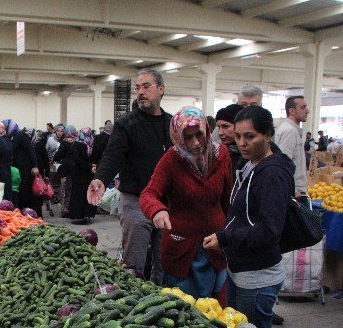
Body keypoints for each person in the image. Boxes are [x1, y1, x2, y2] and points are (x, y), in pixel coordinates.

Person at [203, 106, 294, 328]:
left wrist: (226, 238)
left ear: (268, 135)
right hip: (241, 270)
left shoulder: (272, 174)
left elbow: (268, 231)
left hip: (258, 277)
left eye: (250, 136)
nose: (242, 143)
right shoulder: (250, 165)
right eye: (239, 136)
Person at [87, 69, 173, 284]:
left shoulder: (172, 124)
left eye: (146, 86)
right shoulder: (127, 123)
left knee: (164, 259)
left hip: (166, 202)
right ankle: (136, 306)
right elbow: (113, 154)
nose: (140, 92)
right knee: (134, 261)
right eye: (138, 88)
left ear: (161, 90)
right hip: (136, 201)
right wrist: (100, 178)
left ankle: (163, 300)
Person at [140, 107, 232, 298]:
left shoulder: (221, 155)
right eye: (187, 137)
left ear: (206, 130)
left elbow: (227, 198)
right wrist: (158, 211)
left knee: (217, 308)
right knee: (185, 309)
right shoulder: (171, 160)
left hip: (215, 244)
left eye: (198, 134)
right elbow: (149, 194)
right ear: (178, 138)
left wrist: (229, 233)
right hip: (182, 250)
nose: (196, 143)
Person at [275, 96, 309, 204]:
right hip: (296, 194)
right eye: (303, 107)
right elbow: (283, 163)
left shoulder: (291, 130)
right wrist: (292, 190)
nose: (307, 111)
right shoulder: (290, 131)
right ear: (291, 111)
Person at [6, 119, 41, 214]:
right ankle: (25, 214)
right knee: (23, 192)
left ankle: (32, 215)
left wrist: (35, 166)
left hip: (26, 168)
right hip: (21, 168)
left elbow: (30, 150)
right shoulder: (13, 137)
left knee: (27, 192)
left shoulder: (20, 135)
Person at [68, 127, 97, 224]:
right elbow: (78, 159)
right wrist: (90, 166)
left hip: (80, 173)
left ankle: (79, 214)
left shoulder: (77, 143)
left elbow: (76, 159)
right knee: (85, 194)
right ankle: (86, 214)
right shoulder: (91, 142)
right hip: (85, 173)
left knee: (79, 194)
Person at [54, 125, 77, 217]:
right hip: (75, 169)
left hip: (66, 169)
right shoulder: (77, 142)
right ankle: (72, 209)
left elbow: (58, 156)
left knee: (64, 190)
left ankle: (65, 210)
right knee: (72, 190)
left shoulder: (64, 143)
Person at [215, 104, 244, 171]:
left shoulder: (252, 155)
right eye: (218, 127)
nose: (220, 133)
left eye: (225, 126)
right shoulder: (218, 153)